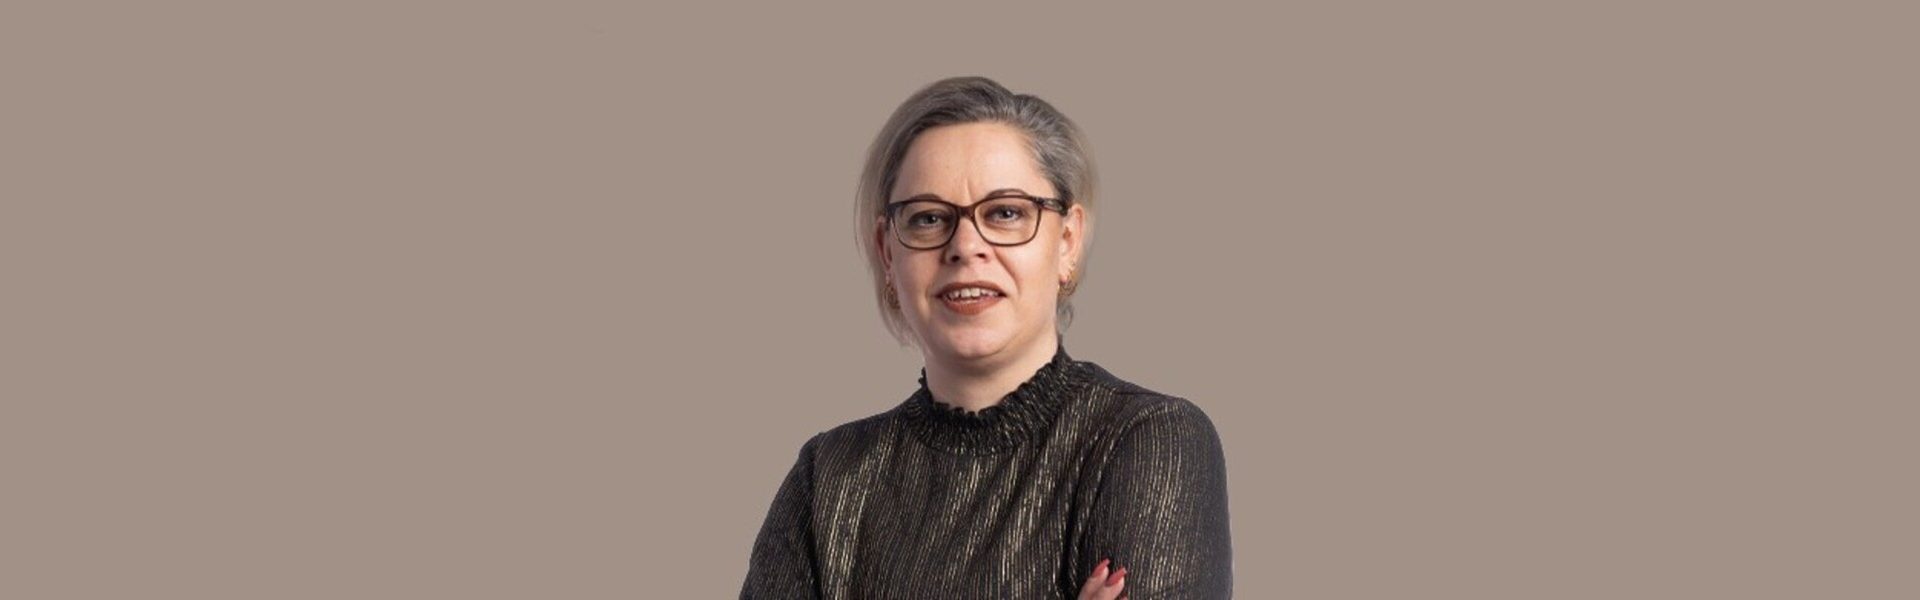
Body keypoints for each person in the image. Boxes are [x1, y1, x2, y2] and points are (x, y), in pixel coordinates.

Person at [740, 76, 1232, 599]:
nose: (965, 246)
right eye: (929, 218)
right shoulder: (827, 478)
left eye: (1006, 213)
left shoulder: (1148, 439)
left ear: (1067, 242)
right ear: (888, 252)